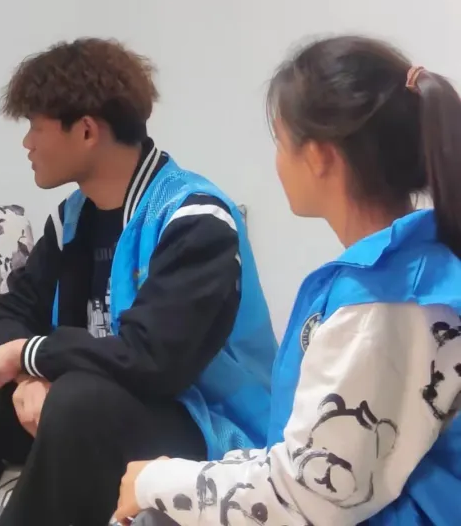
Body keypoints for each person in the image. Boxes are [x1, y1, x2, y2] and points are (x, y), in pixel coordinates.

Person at [0, 38, 279, 526]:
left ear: (86, 131)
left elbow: (154, 360)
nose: (27, 144)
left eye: (35, 127)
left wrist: (27, 356)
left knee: (77, 399)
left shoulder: (194, 217)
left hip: (205, 425)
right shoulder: (73, 220)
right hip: (92, 410)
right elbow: (4, 317)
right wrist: (29, 375)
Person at [114, 36, 461, 526]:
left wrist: (156, 480)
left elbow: (307, 497)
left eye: (280, 141)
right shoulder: (411, 272)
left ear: (319, 156)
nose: (277, 162)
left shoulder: (384, 305)